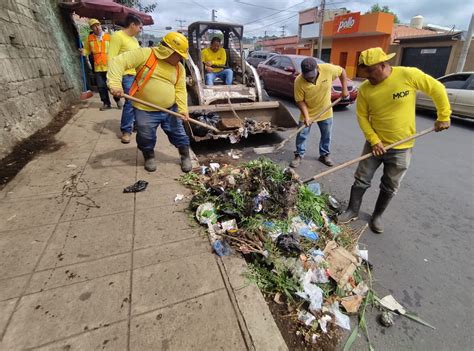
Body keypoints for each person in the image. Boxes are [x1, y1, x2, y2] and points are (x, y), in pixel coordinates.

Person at [337, 47, 451, 233]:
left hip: (402, 146)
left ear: (383, 65)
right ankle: (352, 210)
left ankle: (377, 216)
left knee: (390, 185)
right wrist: (374, 140)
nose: (367, 77)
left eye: (371, 72)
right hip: (375, 145)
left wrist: (444, 116)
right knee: (361, 179)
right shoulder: (365, 89)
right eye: (364, 72)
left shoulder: (407, 75)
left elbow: (437, 88)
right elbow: (362, 117)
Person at [108, 32, 192, 173]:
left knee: (179, 133)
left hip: (170, 109)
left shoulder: (179, 68)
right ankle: (149, 157)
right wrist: (115, 84)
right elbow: (118, 61)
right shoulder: (145, 54)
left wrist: (183, 109)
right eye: (178, 55)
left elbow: (180, 89)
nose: (179, 59)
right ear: (168, 51)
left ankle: (185, 156)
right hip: (144, 109)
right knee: (145, 136)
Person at [290, 57, 348, 168]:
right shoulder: (299, 81)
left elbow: (342, 72)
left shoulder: (327, 69)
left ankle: (324, 155)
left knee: (326, 135)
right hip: (308, 111)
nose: (310, 79)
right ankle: (299, 155)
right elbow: (300, 101)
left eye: (311, 76)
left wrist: (344, 89)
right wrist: (307, 117)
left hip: (325, 110)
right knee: (302, 134)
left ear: (317, 68)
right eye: (307, 77)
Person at [109, 14, 142, 144]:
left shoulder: (134, 40)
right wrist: (113, 82)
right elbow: (112, 59)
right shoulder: (117, 36)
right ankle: (126, 131)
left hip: (136, 75)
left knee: (137, 102)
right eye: (140, 27)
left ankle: (133, 124)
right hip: (125, 75)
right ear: (132, 25)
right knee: (130, 102)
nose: (140, 29)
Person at [80, 19, 121, 111]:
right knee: (101, 86)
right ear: (91, 28)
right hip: (98, 66)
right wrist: (83, 52)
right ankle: (106, 103)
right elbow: (87, 50)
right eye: (94, 26)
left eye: (97, 25)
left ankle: (117, 100)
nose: (97, 27)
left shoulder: (109, 37)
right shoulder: (89, 39)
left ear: (100, 25)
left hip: (109, 66)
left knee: (112, 85)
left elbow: (116, 50)